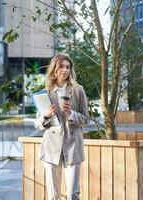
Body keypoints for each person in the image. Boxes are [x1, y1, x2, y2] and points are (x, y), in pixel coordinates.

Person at [34, 53, 89, 200]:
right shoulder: (46, 92)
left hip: (73, 147)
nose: (64, 70)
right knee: (53, 196)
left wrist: (70, 113)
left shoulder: (78, 90)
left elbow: (85, 119)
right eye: (61, 67)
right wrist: (46, 115)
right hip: (51, 148)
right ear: (55, 69)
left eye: (68, 67)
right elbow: (37, 124)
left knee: (73, 195)